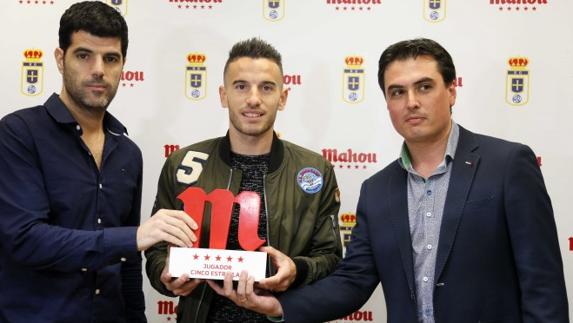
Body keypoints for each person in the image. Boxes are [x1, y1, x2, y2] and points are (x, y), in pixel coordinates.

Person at [209, 38, 570, 323]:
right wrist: (278, 308)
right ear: (386, 103)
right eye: (397, 92)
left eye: (424, 87)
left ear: (452, 91)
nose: (411, 102)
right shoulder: (378, 190)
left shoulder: (508, 164)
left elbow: (542, 284)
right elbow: (353, 282)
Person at [0, 2, 198, 322]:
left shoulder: (128, 153)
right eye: (83, 55)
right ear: (60, 59)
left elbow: (129, 265)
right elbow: (25, 239)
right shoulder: (19, 133)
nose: (98, 70)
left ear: (122, 65)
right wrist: (131, 237)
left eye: (111, 58)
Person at [145, 37, 342, 323]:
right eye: (241, 86)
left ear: (283, 97)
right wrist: (165, 274)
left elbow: (331, 257)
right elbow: (157, 248)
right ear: (224, 95)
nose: (253, 99)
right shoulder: (182, 165)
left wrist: (296, 270)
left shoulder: (316, 170)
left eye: (266, 87)